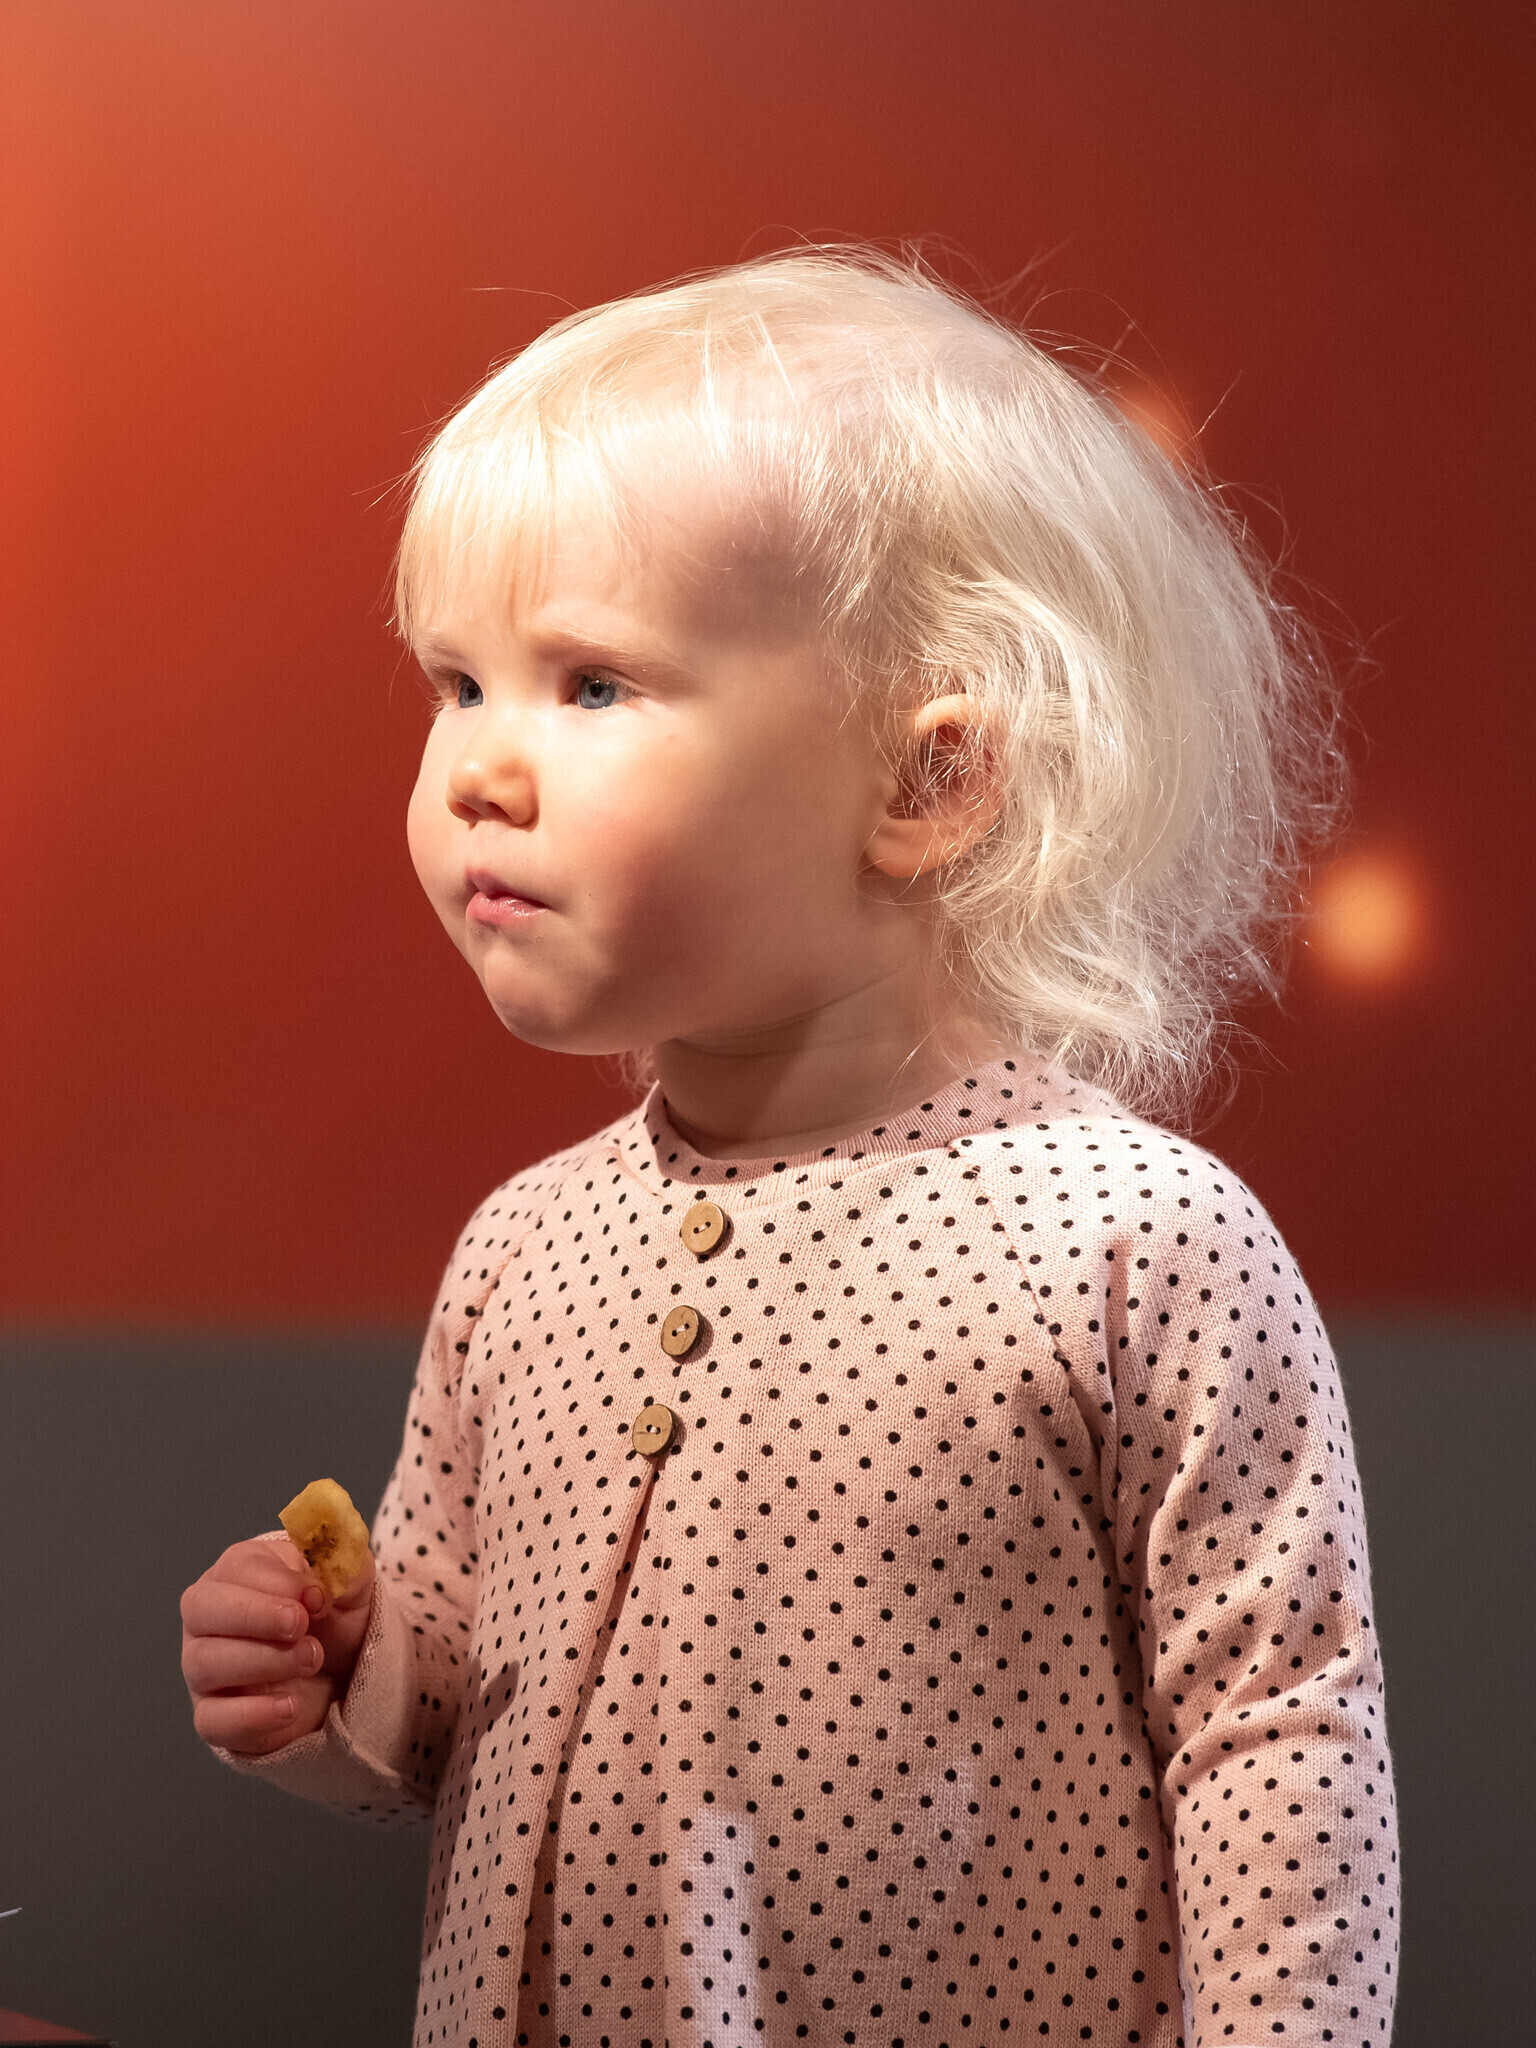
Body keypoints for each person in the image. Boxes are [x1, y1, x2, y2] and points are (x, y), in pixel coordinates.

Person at [179, 250, 1398, 2048]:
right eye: (455, 684)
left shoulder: (1132, 1242)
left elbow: (1278, 1734)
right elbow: (455, 1704)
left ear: (927, 784)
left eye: (593, 684)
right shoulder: (524, 1249)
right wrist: (337, 1676)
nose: (480, 771)